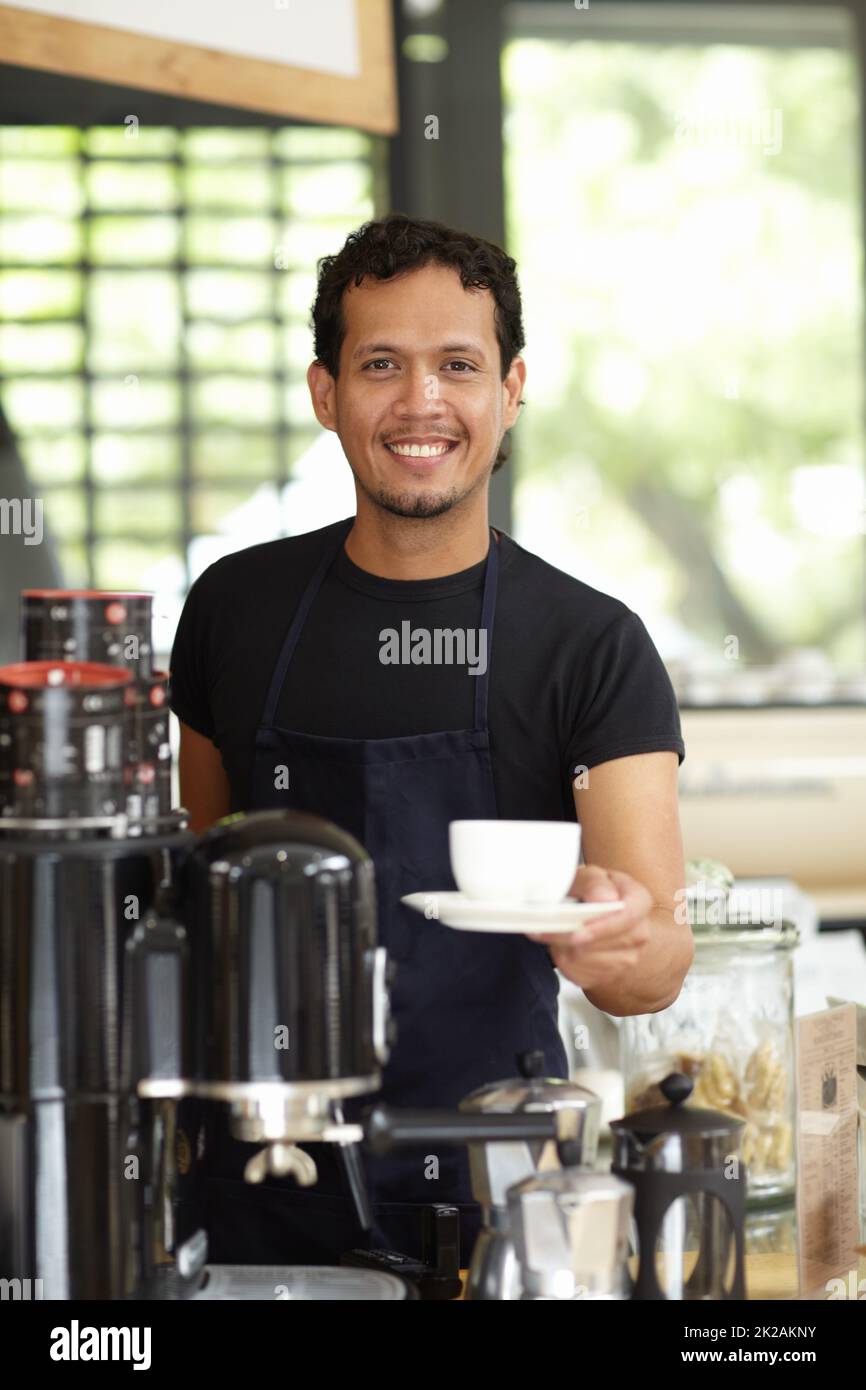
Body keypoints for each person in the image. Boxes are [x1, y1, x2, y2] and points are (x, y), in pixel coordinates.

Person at [168, 212, 692, 1268]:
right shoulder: (234, 607)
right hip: (261, 1179)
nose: (421, 402)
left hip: (496, 1190)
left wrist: (620, 943)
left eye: (457, 364)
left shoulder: (590, 644)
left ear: (510, 389)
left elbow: (653, 965)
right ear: (325, 394)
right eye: (379, 365)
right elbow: (195, 880)